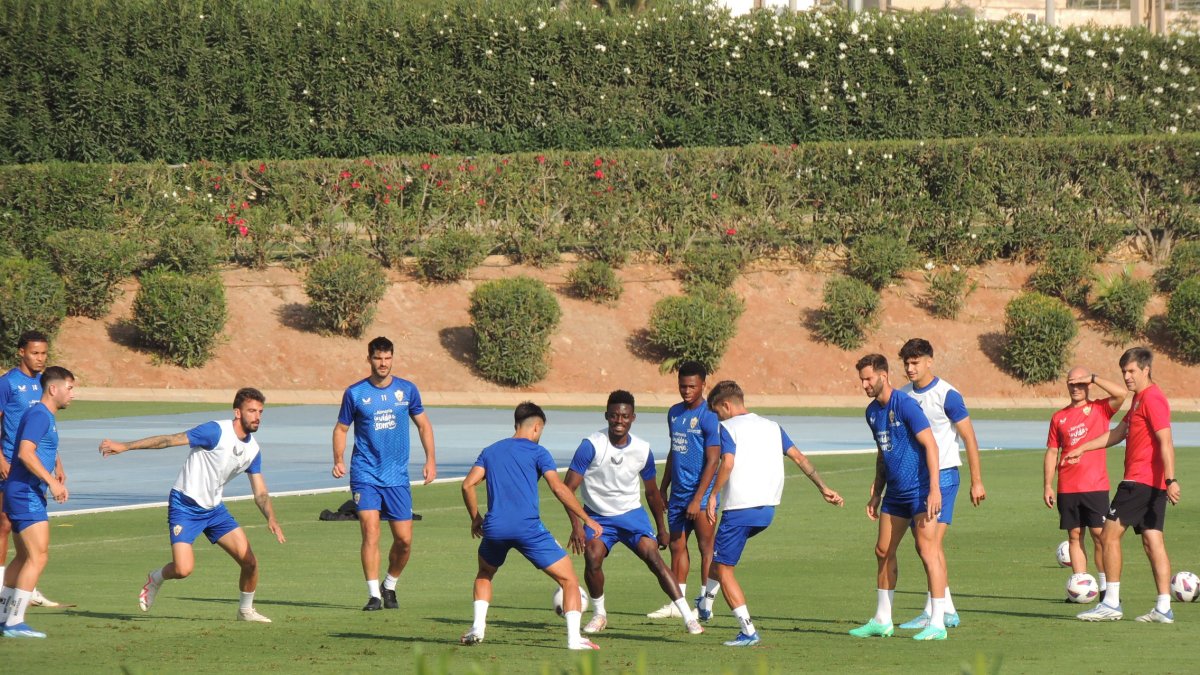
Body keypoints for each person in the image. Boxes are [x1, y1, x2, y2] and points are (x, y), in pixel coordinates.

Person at [98, 388, 284, 622]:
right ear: (237, 412)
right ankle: (156, 577)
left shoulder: (253, 450)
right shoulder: (214, 431)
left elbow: (261, 492)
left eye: (260, 412)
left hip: (215, 510)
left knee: (250, 562)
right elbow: (169, 440)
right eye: (251, 411)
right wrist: (125, 446)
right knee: (183, 569)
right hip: (185, 505)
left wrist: (271, 517)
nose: (257, 416)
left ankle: (245, 610)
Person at [700, 380, 844, 647]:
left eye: (717, 412)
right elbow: (799, 458)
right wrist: (824, 488)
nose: (717, 417)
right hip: (767, 510)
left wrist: (712, 495)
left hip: (740, 508)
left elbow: (728, 463)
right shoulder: (772, 427)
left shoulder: (727, 427)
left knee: (723, 566)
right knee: (719, 555)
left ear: (726, 406)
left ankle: (747, 631)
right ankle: (705, 604)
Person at [459, 401, 604, 650]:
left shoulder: (491, 451)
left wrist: (476, 517)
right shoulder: (539, 453)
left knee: (485, 573)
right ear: (536, 427)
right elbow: (559, 488)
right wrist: (586, 518)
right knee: (569, 579)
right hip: (527, 529)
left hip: (494, 529)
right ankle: (573, 639)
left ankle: (478, 628)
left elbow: (467, 484)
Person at [563, 390, 703, 637]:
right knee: (593, 557)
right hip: (598, 517)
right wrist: (577, 526)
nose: (619, 421)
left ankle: (687, 616)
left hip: (632, 515)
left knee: (654, 557)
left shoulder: (642, 449)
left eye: (624, 416)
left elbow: (651, 493)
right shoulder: (590, 446)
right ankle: (599, 614)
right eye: (614, 416)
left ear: (633, 418)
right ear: (606, 416)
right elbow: (568, 489)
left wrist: (661, 530)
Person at [1072, 347, 1181, 623]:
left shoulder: (1153, 399)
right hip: (1149, 483)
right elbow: (1118, 433)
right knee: (1152, 539)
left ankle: (1110, 603)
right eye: (1124, 372)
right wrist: (1084, 447)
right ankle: (1164, 607)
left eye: (1131, 371)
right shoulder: (1138, 400)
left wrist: (1171, 479)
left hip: (1139, 481)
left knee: (1108, 536)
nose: (1127, 377)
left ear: (1146, 369)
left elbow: (1165, 441)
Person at [331, 336, 437, 611]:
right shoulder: (355, 393)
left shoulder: (407, 390)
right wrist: (338, 459)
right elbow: (341, 428)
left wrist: (430, 460)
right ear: (369, 359)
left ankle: (388, 586)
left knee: (404, 540)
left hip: (397, 476)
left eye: (387, 358)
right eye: (378, 358)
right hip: (365, 473)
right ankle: (373, 596)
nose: (383, 363)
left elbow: (424, 425)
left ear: (392, 358)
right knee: (371, 531)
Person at [848, 354, 947, 641]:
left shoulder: (906, 405)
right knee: (882, 551)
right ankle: (882, 619)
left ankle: (937, 622)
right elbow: (883, 452)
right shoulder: (871, 412)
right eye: (861, 380)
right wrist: (876, 492)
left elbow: (931, 446)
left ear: (883, 375)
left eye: (868, 379)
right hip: (894, 495)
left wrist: (935, 489)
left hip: (919, 491)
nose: (865, 385)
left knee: (927, 551)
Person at [893, 338, 985, 630]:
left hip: (944, 476)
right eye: (906, 363)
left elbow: (969, 437)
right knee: (928, 546)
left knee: (928, 544)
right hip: (915, 479)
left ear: (929, 361)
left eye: (915, 362)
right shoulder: (903, 396)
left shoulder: (948, 395)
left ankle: (936, 611)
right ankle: (944, 609)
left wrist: (977, 481)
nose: (910, 368)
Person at [0, 366, 74, 638]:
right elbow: (25, 453)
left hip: (22, 492)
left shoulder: (42, 415)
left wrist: (55, 469)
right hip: (25, 494)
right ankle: (15, 621)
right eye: (69, 388)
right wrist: (52, 482)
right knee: (38, 556)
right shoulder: (40, 415)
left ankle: (3, 616)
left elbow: (40, 449)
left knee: (22, 556)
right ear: (53, 389)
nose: (72, 394)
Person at [1044, 365, 1126, 601]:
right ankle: (1080, 587)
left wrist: (1094, 377)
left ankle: (1104, 589)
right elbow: (1051, 452)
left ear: (1088, 385)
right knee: (1074, 536)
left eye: (1081, 383)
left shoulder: (1100, 408)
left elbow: (1121, 394)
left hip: (1095, 485)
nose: (1076, 388)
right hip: (1067, 487)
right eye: (1072, 383)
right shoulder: (1059, 417)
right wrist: (1047, 484)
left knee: (1100, 536)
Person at [648, 361, 722, 621]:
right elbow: (674, 450)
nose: (686, 390)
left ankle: (705, 604)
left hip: (700, 496)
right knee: (678, 546)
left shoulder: (709, 415)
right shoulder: (674, 413)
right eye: (682, 385)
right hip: (679, 495)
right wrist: (664, 486)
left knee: (706, 548)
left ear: (704, 384)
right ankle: (677, 604)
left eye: (692, 386)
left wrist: (699, 498)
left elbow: (714, 460)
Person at [0, 331, 63, 609]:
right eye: (35, 353)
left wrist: (58, 464)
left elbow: (46, 432)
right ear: (21, 352)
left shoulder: (45, 384)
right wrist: (1, 458)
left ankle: (25, 586)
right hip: (11, 464)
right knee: (4, 524)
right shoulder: (8, 383)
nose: (40, 358)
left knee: (26, 529)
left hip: (33, 469)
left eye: (44, 353)